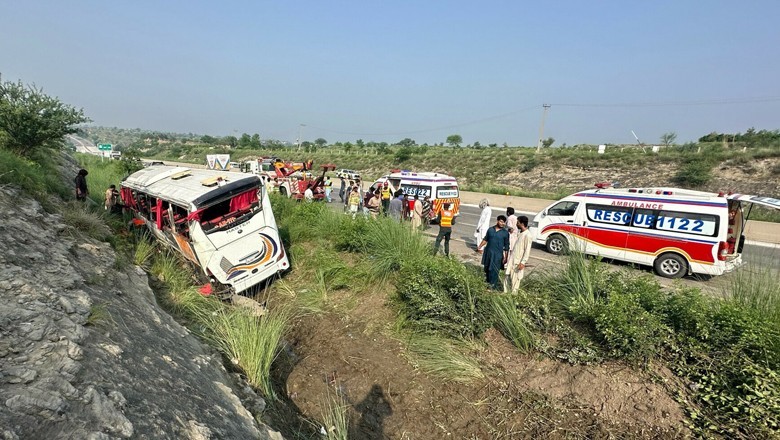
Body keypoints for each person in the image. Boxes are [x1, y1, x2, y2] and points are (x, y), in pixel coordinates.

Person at [478, 215, 509, 290]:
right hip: (488, 253)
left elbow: (507, 246)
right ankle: (486, 285)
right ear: (497, 221)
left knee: (494, 271)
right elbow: (486, 239)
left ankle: (492, 288)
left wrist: (506, 257)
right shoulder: (490, 230)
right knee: (487, 269)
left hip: (497, 255)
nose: (502, 223)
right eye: (501, 221)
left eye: (504, 222)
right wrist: (480, 246)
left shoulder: (505, 233)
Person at [506, 216, 533, 292]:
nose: (516, 224)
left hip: (518, 262)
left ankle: (512, 299)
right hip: (512, 260)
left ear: (522, 223)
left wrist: (523, 262)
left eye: (517, 223)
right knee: (507, 278)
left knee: (515, 282)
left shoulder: (528, 235)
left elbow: (527, 251)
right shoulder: (520, 233)